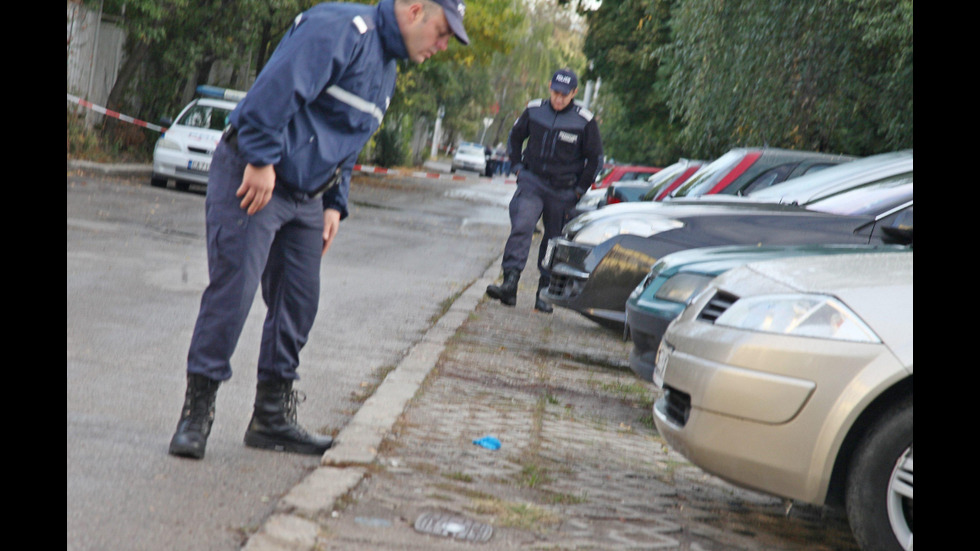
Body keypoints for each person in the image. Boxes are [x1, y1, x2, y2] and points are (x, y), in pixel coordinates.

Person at [168, 0, 469, 460]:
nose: (443, 45)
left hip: (307, 194)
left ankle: (270, 418)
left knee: (298, 303)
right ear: (414, 11)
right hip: (256, 174)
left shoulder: (385, 67)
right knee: (235, 292)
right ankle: (196, 414)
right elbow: (275, 92)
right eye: (443, 32)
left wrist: (334, 202)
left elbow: (348, 138)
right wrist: (262, 160)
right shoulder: (342, 29)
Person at [486, 68, 603, 312]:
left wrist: (579, 190)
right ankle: (510, 282)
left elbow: (594, 160)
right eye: (555, 92)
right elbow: (515, 138)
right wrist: (518, 167)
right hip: (533, 182)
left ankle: (544, 292)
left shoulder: (584, 121)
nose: (558, 98)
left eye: (564, 94)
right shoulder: (534, 110)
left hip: (563, 190)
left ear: (574, 93)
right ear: (549, 87)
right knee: (522, 225)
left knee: (553, 241)